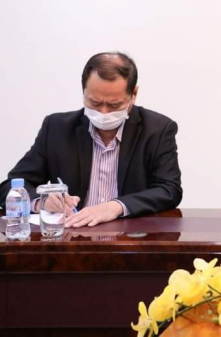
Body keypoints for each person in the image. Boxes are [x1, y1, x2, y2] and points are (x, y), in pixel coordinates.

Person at [0, 52, 183, 227]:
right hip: (73, 236)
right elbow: (11, 187)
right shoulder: (57, 128)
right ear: (84, 92)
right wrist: (42, 202)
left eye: (114, 105)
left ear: (134, 94)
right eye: (94, 103)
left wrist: (116, 206)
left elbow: (169, 190)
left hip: (130, 237)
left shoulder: (158, 129)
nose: (104, 112)